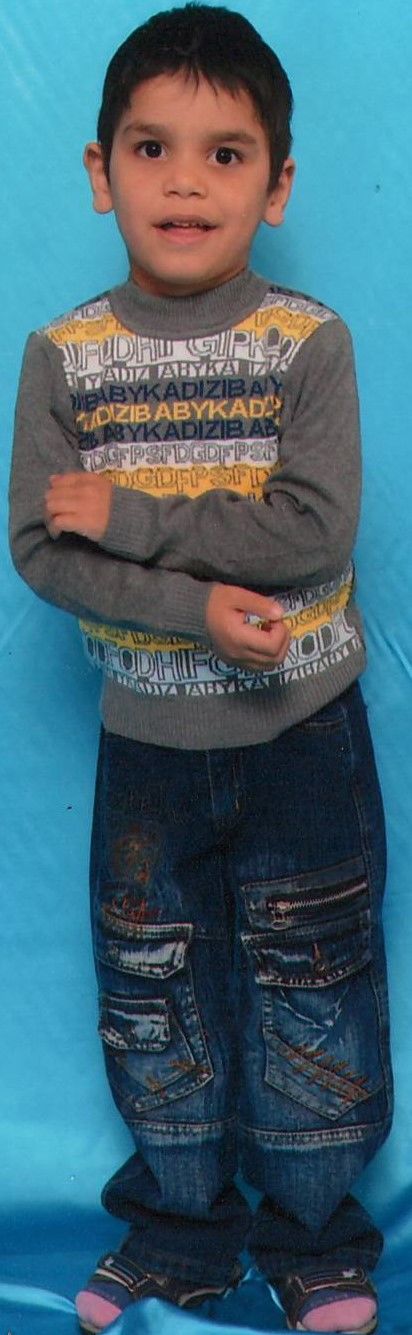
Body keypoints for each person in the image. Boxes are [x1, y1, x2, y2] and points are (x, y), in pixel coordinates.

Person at [9, 5, 393, 1332]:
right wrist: (191, 614)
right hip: (149, 751)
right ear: (99, 171)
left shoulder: (309, 343)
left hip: (305, 738)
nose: (185, 182)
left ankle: (318, 1240)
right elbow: (40, 551)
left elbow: (312, 531)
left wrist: (132, 517)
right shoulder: (63, 357)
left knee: (314, 981)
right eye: (151, 148)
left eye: (225, 155)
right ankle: (179, 1233)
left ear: (276, 186)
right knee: (152, 989)